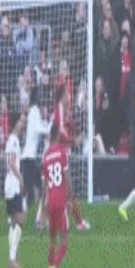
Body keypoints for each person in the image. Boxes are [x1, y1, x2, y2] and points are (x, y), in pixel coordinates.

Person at [50, 85, 91, 231]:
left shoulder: (62, 110)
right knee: (67, 189)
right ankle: (78, 222)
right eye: (67, 93)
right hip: (59, 154)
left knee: (61, 190)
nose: (69, 96)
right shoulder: (59, 109)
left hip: (60, 152)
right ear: (63, 95)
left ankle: (49, 220)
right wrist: (74, 141)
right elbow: (61, 132)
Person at [42, 124, 71, 268]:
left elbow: (44, 184)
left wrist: (42, 208)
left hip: (50, 200)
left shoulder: (46, 156)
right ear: (57, 135)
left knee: (52, 240)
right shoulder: (62, 152)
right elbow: (67, 177)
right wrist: (71, 199)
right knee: (65, 240)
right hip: (60, 200)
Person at [21, 89, 50, 211]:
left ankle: (39, 217)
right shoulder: (35, 111)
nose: (41, 98)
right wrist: (50, 129)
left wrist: (46, 125)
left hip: (29, 158)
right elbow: (38, 128)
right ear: (35, 97)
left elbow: (38, 126)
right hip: (29, 158)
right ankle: (16, 215)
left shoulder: (33, 111)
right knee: (33, 194)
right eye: (39, 95)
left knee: (41, 189)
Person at [5, 112, 26, 268]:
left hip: (11, 183)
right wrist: (20, 178)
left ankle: (12, 258)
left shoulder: (13, 140)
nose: (23, 123)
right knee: (20, 220)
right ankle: (12, 259)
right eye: (21, 120)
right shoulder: (13, 140)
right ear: (15, 123)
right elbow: (12, 163)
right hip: (13, 183)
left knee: (14, 222)